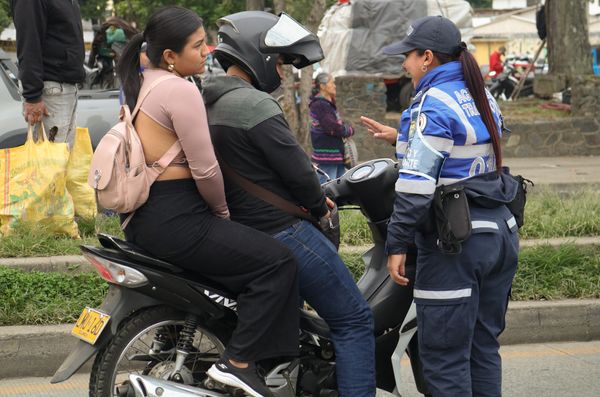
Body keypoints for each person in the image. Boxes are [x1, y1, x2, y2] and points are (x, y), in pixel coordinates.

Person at [116, 7, 300, 397]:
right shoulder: (179, 89)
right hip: (176, 215)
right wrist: (222, 214)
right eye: (198, 46)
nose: (208, 51)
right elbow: (205, 169)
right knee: (278, 262)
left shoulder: (144, 81)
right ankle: (238, 364)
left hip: (143, 217)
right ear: (171, 55)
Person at [202, 11, 375, 397]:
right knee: (354, 320)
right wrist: (320, 206)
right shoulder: (254, 105)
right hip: (283, 231)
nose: (281, 71)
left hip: (241, 230)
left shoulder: (207, 100)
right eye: (279, 61)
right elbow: (299, 175)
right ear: (257, 54)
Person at [369, 16, 520, 397]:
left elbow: (417, 186)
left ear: (427, 58)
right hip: (500, 232)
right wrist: (402, 137)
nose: (404, 64)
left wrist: (397, 244)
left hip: (457, 242)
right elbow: (464, 153)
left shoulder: (432, 102)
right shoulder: (480, 93)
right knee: (482, 349)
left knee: (445, 358)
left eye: (408, 56)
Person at [11, 0, 85, 144]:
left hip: (65, 86)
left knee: (62, 158)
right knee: (49, 161)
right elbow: (29, 45)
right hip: (49, 89)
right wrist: (32, 97)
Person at [309, 72, 354, 183]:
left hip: (335, 154)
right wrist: (348, 130)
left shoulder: (327, 104)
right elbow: (331, 127)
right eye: (332, 83)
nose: (334, 86)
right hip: (327, 154)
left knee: (339, 186)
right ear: (323, 86)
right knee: (327, 187)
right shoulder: (320, 104)